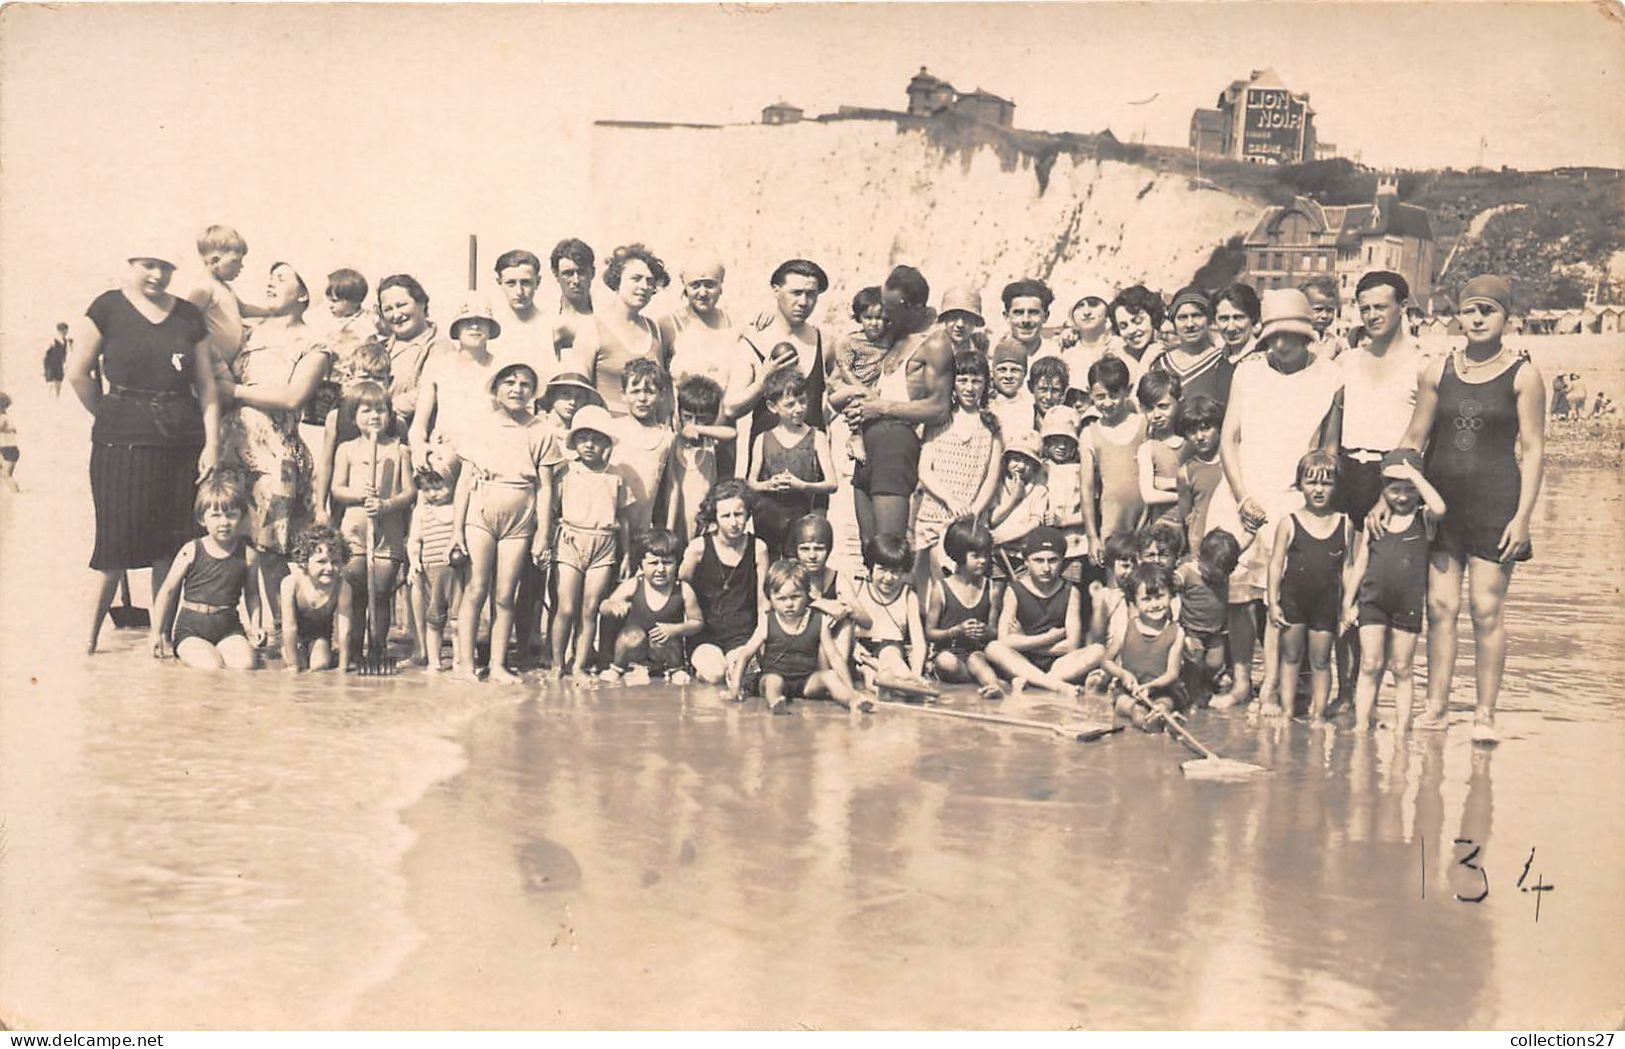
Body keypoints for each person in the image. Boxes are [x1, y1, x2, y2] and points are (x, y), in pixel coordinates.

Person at [1386, 274, 1545, 744]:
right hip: (1440, 507)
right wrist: (1388, 492)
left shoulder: (1524, 375)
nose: (1477, 318)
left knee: (1486, 609)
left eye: (1488, 310)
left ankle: (1484, 714)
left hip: (1497, 505)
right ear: (1457, 313)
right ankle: (1435, 707)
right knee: (1440, 607)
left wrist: (1523, 517)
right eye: (1469, 309)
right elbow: (1414, 438)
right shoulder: (1438, 370)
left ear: (1506, 317)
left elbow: (1534, 450)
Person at [67, 247, 220, 655]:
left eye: (166, 267)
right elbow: (78, 374)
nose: (157, 274)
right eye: (148, 265)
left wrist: (213, 446)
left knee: (169, 548)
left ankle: (160, 635)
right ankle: (90, 638)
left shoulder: (188, 315)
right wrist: (111, 413)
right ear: (131, 263)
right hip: (119, 443)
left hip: (180, 442)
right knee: (112, 546)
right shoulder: (108, 307)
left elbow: (206, 387)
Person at [1205, 288, 1343, 711]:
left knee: (1281, 594)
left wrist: (1312, 505)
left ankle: (1275, 685)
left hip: (1293, 499)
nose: (1281, 345)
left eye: (1290, 336)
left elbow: (1330, 451)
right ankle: (1243, 680)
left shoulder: (1331, 377)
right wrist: (1242, 495)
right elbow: (1229, 439)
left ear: (1307, 335)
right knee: (1238, 592)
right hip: (1241, 491)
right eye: (1274, 337)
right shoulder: (1247, 372)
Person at [217, 261, 334, 637]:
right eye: (270, 277)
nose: (271, 282)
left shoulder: (314, 344)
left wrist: (234, 392)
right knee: (231, 543)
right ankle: (245, 627)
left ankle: (288, 630)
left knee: (270, 553)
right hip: (231, 450)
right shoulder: (246, 333)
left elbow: (291, 396)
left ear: (303, 294)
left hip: (276, 457)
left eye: (282, 278)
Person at [453, 361, 551, 683]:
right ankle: (466, 664)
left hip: (520, 517)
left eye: (525, 384)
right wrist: (456, 531)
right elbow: (464, 481)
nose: (516, 389)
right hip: (481, 511)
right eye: (509, 382)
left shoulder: (540, 429)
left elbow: (546, 487)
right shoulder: (481, 426)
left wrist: (543, 535)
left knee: (506, 594)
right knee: (476, 587)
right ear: (495, 389)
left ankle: (497, 665)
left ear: (533, 392)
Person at [842, 265, 953, 546]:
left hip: (896, 446)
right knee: (868, 547)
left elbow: (940, 408)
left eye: (890, 309)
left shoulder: (935, 342)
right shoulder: (894, 332)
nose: (884, 315)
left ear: (914, 307)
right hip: (868, 446)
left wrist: (881, 407)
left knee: (889, 548)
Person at [1341, 448, 1445, 732]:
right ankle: (1362, 725)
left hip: (1407, 604)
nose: (1402, 497)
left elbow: (1440, 507)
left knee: (1401, 667)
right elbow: (1361, 563)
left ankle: (1402, 729)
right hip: (1372, 602)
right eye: (1395, 489)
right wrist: (1348, 603)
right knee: (1370, 664)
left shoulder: (1424, 520)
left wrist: (1414, 475)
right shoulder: (1375, 521)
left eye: (1409, 490)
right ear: (1383, 488)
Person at [1333, 271, 1429, 524]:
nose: (1372, 316)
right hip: (1346, 474)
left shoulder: (1422, 366)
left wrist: (1390, 494)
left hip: (1396, 480)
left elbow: (1418, 439)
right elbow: (1330, 432)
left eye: (1380, 307)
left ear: (1403, 306)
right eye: (1365, 309)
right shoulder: (1346, 362)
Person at [541, 400, 628, 682]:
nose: (589, 445)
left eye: (596, 439)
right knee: (565, 607)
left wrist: (626, 554)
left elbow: (623, 519)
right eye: (583, 439)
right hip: (570, 540)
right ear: (575, 442)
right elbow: (550, 509)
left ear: (607, 444)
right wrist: (548, 539)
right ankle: (557, 663)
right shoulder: (565, 472)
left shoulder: (616, 475)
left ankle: (578, 665)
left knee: (590, 609)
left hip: (604, 544)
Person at [331, 382, 415, 667]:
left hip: (387, 532)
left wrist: (386, 504)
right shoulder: (346, 449)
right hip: (354, 530)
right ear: (354, 415)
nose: (374, 416)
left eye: (381, 410)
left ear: (390, 415)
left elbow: (410, 492)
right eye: (366, 410)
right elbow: (336, 489)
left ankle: (378, 650)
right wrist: (360, 496)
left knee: (381, 594)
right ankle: (352, 652)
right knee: (355, 595)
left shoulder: (399, 450)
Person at [1266, 451, 1352, 721]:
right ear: (1299, 484)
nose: (1318, 489)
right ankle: (1288, 711)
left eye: (1326, 483)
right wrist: (1272, 602)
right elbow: (1275, 565)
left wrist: (1348, 605)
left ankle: (1318, 715)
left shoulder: (1344, 522)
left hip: (1326, 604)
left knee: (1321, 660)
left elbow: (1348, 568)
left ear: (1336, 487)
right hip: (1293, 601)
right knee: (1290, 657)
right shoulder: (1289, 522)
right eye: (1311, 482)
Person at [727, 258, 831, 480]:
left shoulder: (824, 341)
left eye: (811, 294)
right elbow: (730, 408)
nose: (804, 302)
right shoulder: (753, 341)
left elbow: (838, 390)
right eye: (796, 293)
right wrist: (763, 380)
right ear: (776, 291)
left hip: (811, 471)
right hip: (767, 471)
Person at [149, 478, 262, 670]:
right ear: (202, 519)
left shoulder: (249, 555)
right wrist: (156, 632)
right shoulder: (191, 550)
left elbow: (252, 594)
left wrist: (256, 626)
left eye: (231, 515)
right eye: (216, 515)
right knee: (211, 668)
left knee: (246, 666)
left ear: (242, 517)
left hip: (229, 629)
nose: (224, 522)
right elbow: (167, 590)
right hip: (191, 630)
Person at [912, 347, 1002, 584]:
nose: (969, 388)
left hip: (970, 521)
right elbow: (925, 470)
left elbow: (992, 476)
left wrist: (973, 511)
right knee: (936, 585)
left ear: (985, 384)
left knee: (967, 584)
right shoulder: (940, 419)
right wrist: (951, 500)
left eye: (976, 381)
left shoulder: (991, 424)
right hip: (936, 514)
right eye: (962, 380)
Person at [729, 559, 862, 714]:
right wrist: (735, 687)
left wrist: (850, 689)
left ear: (807, 594)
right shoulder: (768, 621)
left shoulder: (818, 620)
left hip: (807, 682)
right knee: (773, 681)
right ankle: (776, 702)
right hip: (774, 677)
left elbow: (835, 658)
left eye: (795, 597)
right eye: (781, 599)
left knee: (830, 676)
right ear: (770, 598)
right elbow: (746, 653)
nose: (789, 604)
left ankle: (852, 701)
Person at [984, 526, 1097, 694]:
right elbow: (1004, 641)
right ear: (1026, 562)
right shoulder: (1014, 590)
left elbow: (1072, 646)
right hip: (1022, 661)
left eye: (1052, 560)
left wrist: (1024, 641)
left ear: (1062, 561)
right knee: (993, 648)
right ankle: (1054, 685)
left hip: (1059, 663)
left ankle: (1037, 681)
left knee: (1098, 650)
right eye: (1038, 560)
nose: (1046, 568)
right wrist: (1049, 638)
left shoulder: (1070, 591)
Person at [681, 479, 769, 685]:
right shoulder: (698, 548)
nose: (734, 522)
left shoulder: (758, 548)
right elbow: (681, 588)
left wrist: (760, 641)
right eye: (726, 516)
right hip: (705, 634)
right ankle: (697, 671)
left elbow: (763, 602)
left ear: (748, 514)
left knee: (743, 677)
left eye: (738, 514)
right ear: (715, 517)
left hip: (742, 634)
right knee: (715, 674)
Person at [745, 367, 835, 558]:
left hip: (801, 515)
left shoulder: (816, 437)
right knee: (769, 564)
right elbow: (751, 482)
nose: (799, 409)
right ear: (772, 407)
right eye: (790, 404)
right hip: (767, 516)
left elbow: (832, 484)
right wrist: (769, 484)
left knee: (797, 565)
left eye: (803, 401)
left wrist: (802, 485)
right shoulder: (763, 438)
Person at [410, 298, 502, 473]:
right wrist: (419, 447)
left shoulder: (501, 367)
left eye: (482, 322)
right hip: (445, 452)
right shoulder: (439, 365)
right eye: (467, 322)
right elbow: (419, 424)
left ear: (491, 329)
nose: (474, 327)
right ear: (457, 329)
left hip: (486, 453)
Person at [599, 529, 703, 684]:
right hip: (635, 647)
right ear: (641, 564)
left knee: (664, 637)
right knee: (632, 636)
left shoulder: (682, 589)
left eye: (667, 563)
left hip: (665, 650)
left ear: (677, 564)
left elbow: (697, 622)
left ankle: (676, 669)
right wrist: (614, 605)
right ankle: (617, 668)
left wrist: (674, 629)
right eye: (654, 563)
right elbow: (603, 606)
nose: (660, 569)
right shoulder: (635, 584)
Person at [1097, 563, 1186, 731]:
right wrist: (1123, 674)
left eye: (1160, 596)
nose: (1154, 605)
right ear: (1134, 602)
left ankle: (1164, 720)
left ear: (1171, 596)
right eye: (1146, 599)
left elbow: (1172, 673)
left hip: (1163, 690)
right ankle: (1149, 723)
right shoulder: (1125, 627)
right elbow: (1106, 661)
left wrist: (1151, 686)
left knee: (1163, 706)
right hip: (1128, 691)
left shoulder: (1177, 632)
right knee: (1132, 708)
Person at [583, 243, 670, 415]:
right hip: (606, 431)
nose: (644, 286)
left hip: (648, 434)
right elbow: (578, 389)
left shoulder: (654, 330)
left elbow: (662, 391)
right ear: (617, 282)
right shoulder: (592, 327)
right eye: (636, 279)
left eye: (650, 281)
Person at [924, 518, 1004, 699]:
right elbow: (929, 632)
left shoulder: (991, 589)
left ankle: (992, 686)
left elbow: (994, 631)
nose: (983, 561)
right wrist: (955, 631)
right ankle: (987, 681)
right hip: (948, 653)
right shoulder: (941, 589)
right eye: (975, 556)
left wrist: (984, 631)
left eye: (985, 555)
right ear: (959, 556)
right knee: (946, 662)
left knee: (977, 660)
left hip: (977, 653)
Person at [184, 225, 274, 381]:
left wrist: (270, 311)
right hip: (212, 361)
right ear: (215, 261)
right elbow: (186, 320)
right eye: (236, 261)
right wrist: (207, 350)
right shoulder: (204, 289)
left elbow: (244, 309)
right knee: (226, 394)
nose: (241, 266)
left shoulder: (226, 288)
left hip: (228, 362)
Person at [1176, 528, 1247, 705]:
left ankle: (1203, 683)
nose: (1215, 580)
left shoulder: (1222, 568)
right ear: (1199, 557)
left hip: (1216, 630)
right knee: (1195, 659)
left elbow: (1241, 547)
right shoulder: (1188, 571)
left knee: (1215, 663)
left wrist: (1251, 531)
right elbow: (1174, 579)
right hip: (1191, 629)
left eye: (1220, 577)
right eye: (1210, 575)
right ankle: (1194, 695)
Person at [847, 532, 928, 684]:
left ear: (903, 571)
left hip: (891, 648)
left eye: (895, 571)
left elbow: (918, 642)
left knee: (892, 658)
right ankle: (881, 685)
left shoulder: (908, 596)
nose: (888, 577)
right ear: (870, 567)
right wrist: (856, 651)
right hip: (860, 651)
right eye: (882, 569)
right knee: (870, 675)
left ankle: (909, 683)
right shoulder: (858, 588)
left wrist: (916, 672)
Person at [1081, 356, 1145, 545]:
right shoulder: (1089, 433)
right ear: (1089, 394)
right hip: (1112, 524)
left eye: (1114, 394)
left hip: (1146, 519)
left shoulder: (1143, 424)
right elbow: (1087, 488)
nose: (1107, 403)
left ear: (1128, 390)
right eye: (1100, 396)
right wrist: (1092, 537)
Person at [375, 273, 450, 433]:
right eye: (388, 309)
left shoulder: (439, 346)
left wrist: (376, 409)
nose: (396, 315)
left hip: (411, 435)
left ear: (421, 303)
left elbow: (427, 393)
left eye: (401, 305)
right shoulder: (380, 346)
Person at [408, 459, 463, 672]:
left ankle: (459, 660)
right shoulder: (422, 512)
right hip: (432, 570)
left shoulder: (459, 508)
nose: (434, 493)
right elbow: (415, 540)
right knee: (434, 617)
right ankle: (434, 661)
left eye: (439, 487)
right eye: (428, 489)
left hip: (457, 572)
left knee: (458, 619)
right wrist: (414, 562)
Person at [827, 285, 890, 466]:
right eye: (867, 318)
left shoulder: (888, 339)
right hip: (847, 386)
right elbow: (844, 370)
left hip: (872, 389)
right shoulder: (850, 341)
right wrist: (862, 390)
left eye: (879, 318)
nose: (873, 323)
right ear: (859, 318)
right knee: (858, 399)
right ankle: (856, 436)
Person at [666, 375, 732, 544]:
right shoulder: (672, 440)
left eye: (701, 418)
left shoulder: (712, 443)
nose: (693, 423)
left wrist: (699, 429)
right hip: (673, 518)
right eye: (687, 416)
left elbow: (732, 433)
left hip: (702, 520)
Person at [278, 524, 353, 673]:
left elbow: (345, 631)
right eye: (321, 562)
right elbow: (289, 627)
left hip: (319, 635)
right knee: (297, 666)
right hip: (294, 635)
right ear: (304, 561)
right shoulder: (291, 583)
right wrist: (292, 665)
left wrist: (343, 667)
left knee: (319, 666)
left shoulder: (342, 587)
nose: (330, 568)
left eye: (335, 561)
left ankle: (332, 656)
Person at [1149, 286, 1234, 410]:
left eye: (1197, 315)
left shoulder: (1223, 363)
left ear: (1209, 319)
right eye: (1182, 317)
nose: (1190, 324)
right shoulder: (1160, 364)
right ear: (1174, 322)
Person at [658, 255, 736, 391]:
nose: (702, 293)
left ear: (721, 287)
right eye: (695, 285)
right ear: (685, 289)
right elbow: (659, 380)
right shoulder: (668, 326)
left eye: (710, 285)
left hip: (725, 410)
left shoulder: (733, 323)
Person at [1037, 405, 1092, 575]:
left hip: (1074, 545)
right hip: (1045, 545)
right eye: (1055, 440)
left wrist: (1064, 521)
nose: (1061, 446)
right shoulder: (1040, 469)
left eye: (1067, 441)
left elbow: (1091, 512)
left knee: (1072, 588)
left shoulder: (1082, 470)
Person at [489, 249, 558, 374]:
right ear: (499, 283)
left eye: (526, 283)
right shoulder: (491, 329)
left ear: (538, 282)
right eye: (511, 283)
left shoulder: (553, 326)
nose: (519, 291)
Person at [1135, 370, 1185, 530]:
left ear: (1179, 402)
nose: (1156, 415)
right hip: (1163, 528)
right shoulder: (1148, 448)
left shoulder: (1191, 443)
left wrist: (1166, 483)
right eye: (1149, 409)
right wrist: (1184, 494)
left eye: (1163, 406)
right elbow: (1149, 496)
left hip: (1192, 525)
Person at [1175, 394, 1226, 548]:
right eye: (1192, 431)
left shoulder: (1231, 462)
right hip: (1203, 545)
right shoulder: (1186, 472)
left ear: (1218, 427)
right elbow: (1188, 517)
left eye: (1205, 428)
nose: (1200, 437)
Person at [548, 237, 598, 366]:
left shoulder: (605, 319)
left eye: (581, 272)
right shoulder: (547, 321)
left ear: (592, 273)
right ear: (556, 274)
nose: (576, 280)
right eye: (568, 273)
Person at [318, 268, 377, 374]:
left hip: (353, 371)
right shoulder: (329, 320)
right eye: (329, 300)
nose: (330, 305)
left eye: (335, 301)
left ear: (354, 301)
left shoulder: (365, 323)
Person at [1108, 285, 1164, 380]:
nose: (1131, 330)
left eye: (1137, 321)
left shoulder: (1167, 349)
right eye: (1123, 326)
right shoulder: (1116, 361)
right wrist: (1145, 362)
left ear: (1152, 317)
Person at [986, 338, 1036, 441]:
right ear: (993, 372)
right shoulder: (985, 403)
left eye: (1015, 370)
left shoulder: (1029, 404)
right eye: (1002, 369)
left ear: (1024, 373)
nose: (1008, 376)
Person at [999, 279, 1058, 362]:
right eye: (1018, 313)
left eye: (1033, 312)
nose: (1026, 320)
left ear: (1046, 316)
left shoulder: (1057, 355)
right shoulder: (992, 356)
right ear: (1007, 316)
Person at [1212, 283, 1263, 366]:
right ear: (1215, 321)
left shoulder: (1266, 361)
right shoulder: (1216, 362)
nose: (1231, 328)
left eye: (1238, 317)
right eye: (1224, 319)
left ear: (1253, 317)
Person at [1299, 275, 1344, 357]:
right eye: (1318, 309)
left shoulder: (1335, 342)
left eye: (1330, 310)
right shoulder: (1297, 339)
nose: (1324, 316)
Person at [936, 285, 986, 355]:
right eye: (954, 317)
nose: (960, 324)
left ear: (975, 321)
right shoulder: (932, 348)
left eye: (967, 318)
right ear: (945, 318)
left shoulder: (979, 350)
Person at [44, 323, 69, 397]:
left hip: (59, 363)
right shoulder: (52, 340)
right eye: (65, 331)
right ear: (60, 331)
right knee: (50, 382)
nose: (66, 333)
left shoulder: (65, 341)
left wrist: (64, 362)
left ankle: (57, 397)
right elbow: (45, 352)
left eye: (66, 331)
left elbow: (65, 353)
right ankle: (48, 397)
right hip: (50, 364)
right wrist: (43, 367)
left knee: (59, 381)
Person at [0, 393, 18, 493]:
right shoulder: (4, 417)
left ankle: (15, 493)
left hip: (9, 449)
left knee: (6, 474)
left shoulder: (2, 417)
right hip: (6, 449)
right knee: (5, 474)